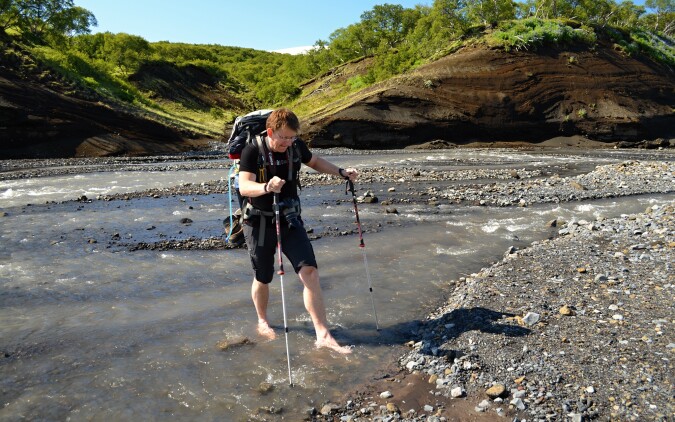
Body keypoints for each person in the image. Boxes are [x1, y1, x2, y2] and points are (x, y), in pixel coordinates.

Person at [238, 108, 356, 354]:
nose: (288, 142)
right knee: (263, 276)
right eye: (284, 137)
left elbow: (314, 161)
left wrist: (342, 172)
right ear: (270, 132)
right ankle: (262, 320)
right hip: (259, 222)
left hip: (290, 218)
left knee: (310, 271)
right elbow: (244, 187)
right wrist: (266, 187)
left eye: (292, 137)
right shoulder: (252, 150)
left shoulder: (295, 146)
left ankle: (323, 333)